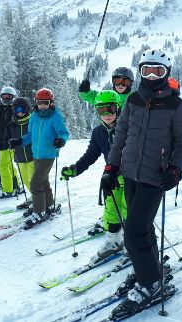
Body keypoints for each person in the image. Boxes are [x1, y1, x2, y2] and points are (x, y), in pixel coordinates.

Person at [102, 48, 182, 315]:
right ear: (140, 72)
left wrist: (175, 170)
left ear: (166, 73)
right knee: (142, 228)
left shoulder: (176, 105)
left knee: (133, 231)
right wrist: (111, 167)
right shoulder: (133, 101)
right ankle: (150, 268)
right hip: (129, 173)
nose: (152, 76)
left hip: (156, 176)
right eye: (147, 71)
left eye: (157, 71)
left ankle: (150, 282)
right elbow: (121, 135)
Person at [61, 90, 127, 260]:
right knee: (111, 211)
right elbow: (91, 155)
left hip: (131, 176)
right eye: (101, 110)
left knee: (130, 211)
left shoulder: (128, 127)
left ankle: (134, 243)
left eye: (110, 109)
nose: (106, 114)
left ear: (118, 108)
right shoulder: (98, 132)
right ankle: (114, 241)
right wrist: (75, 169)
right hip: (111, 178)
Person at [20, 88, 69, 228]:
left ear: (51, 102)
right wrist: (20, 141)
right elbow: (30, 135)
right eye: (39, 102)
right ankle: (49, 206)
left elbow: (63, 132)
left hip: (48, 154)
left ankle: (39, 212)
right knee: (43, 182)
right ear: (36, 102)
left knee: (35, 184)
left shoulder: (55, 116)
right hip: (36, 154)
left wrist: (61, 140)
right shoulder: (34, 117)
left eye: (45, 103)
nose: (42, 105)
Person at [0, 86, 23, 199]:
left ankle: (8, 190)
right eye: (4, 96)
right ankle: (16, 186)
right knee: (8, 165)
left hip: (11, 142)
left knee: (3, 166)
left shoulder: (16, 110)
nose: (6, 98)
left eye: (8, 96)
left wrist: (10, 141)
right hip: (0, 142)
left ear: (13, 97)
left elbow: (17, 128)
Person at [7, 96, 35, 208]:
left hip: (32, 155)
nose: (20, 112)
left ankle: (40, 200)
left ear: (27, 108)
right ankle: (34, 197)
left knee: (34, 181)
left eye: (22, 109)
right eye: (17, 109)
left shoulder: (32, 120)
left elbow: (34, 135)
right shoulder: (13, 123)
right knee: (25, 180)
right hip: (20, 156)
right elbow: (8, 138)